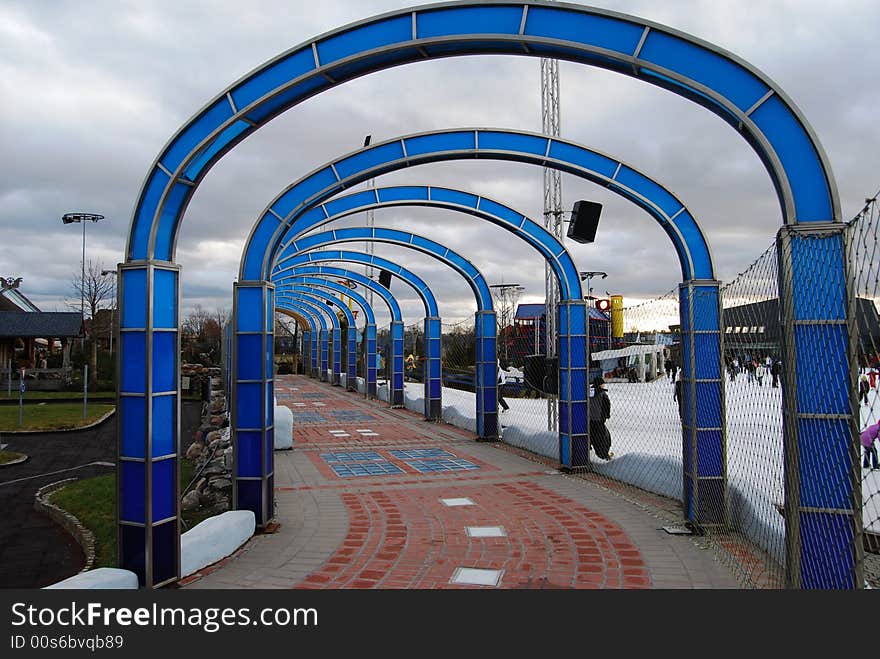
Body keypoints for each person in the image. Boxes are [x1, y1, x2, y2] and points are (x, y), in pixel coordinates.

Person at [589, 376, 613, 460]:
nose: (604, 386)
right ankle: (603, 455)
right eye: (603, 384)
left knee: (591, 436)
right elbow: (607, 406)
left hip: (589, 420)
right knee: (603, 438)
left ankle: (590, 451)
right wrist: (606, 416)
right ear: (599, 385)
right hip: (599, 420)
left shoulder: (589, 393)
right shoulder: (603, 394)